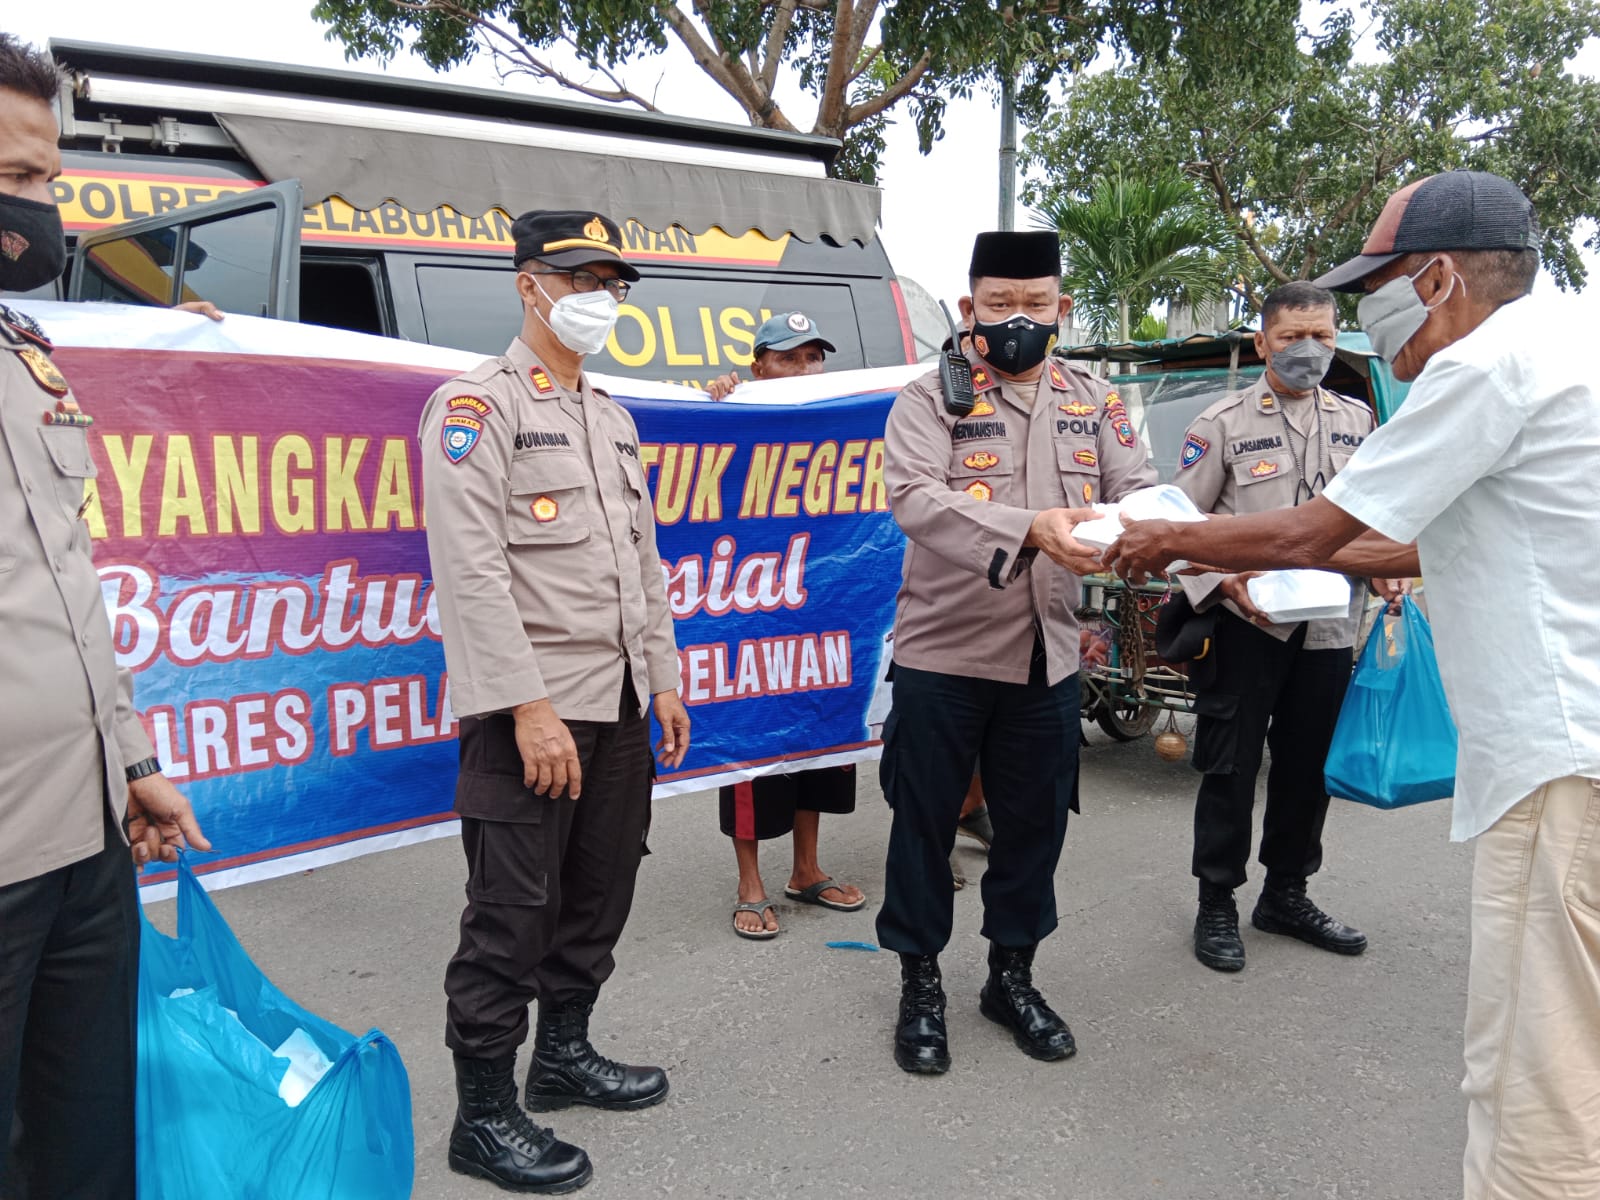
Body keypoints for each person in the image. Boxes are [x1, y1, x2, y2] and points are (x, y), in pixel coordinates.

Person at [1102, 170, 1600, 1199]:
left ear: (1437, 277)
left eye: (1370, 287)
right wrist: (1222, 558)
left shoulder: (1486, 366)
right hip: (1307, 643)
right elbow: (1402, 543)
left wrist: (1158, 541)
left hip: (1562, 760)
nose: (1345, 323)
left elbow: (1319, 529)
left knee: (1536, 1078)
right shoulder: (1569, 347)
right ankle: (1226, 901)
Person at [420, 209, 691, 1194]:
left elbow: (640, 565)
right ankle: (484, 1115)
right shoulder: (475, 408)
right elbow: (472, 571)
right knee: (511, 912)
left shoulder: (611, 417)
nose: (597, 300)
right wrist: (526, 707)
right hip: (531, 713)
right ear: (529, 284)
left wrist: (659, 675)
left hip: (617, 704)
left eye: (610, 283)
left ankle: (564, 1055)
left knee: (598, 894)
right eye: (578, 280)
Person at [0, 36, 210, 1198]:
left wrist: (129, 760)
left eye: (42, 180)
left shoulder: (24, 355)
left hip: (83, 841)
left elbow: (63, 585)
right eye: (10, 178)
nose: (34, 208)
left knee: (87, 1151)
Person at [877, 229, 1156, 1075]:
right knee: (923, 826)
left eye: (1035, 304)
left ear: (1062, 310)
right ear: (970, 310)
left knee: (1033, 830)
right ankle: (919, 983)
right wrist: (1027, 529)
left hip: (1049, 658)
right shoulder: (932, 399)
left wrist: (1149, 529)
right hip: (944, 655)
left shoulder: (1096, 399)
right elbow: (914, 498)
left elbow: (1136, 490)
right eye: (1000, 304)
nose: (1018, 319)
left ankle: (1012, 977)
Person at [1171, 281, 1383, 973]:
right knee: (1229, 769)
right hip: (1246, 625)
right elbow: (1180, 527)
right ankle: (1217, 903)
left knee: (1306, 765)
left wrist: (1392, 567)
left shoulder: (1357, 420)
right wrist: (1222, 578)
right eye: (1292, 336)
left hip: (1329, 627)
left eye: (1322, 336)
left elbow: (1379, 516)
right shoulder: (1222, 424)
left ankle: (1287, 893)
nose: (1308, 350)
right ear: (1262, 342)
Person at [705, 312, 868, 939]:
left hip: (823, 607)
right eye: (788, 358)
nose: (804, 370)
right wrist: (716, 399)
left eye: (812, 358)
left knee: (819, 744)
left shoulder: (835, 416)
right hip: (751, 610)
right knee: (752, 753)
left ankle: (807, 869)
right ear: (758, 366)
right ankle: (751, 884)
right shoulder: (732, 410)